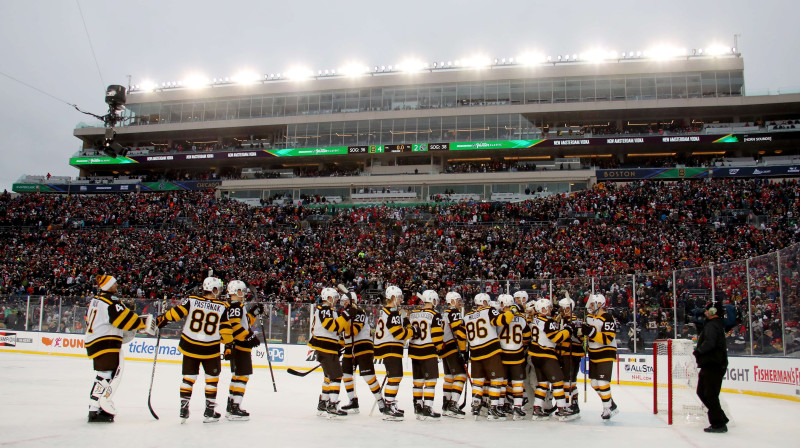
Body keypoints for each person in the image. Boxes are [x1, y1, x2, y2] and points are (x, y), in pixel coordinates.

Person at [156, 276, 231, 423]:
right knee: (212, 379)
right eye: (218, 289)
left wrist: (163, 319)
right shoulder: (222, 307)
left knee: (188, 378)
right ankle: (209, 411)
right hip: (210, 348)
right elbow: (226, 332)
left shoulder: (191, 300)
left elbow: (176, 313)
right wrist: (227, 344)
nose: (220, 292)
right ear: (214, 289)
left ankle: (184, 408)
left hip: (190, 346)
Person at [85, 275, 156, 423]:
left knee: (103, 375)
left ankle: (94, 407)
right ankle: (95, 408)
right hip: (105, 342)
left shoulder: (95, 300)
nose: (117, 285)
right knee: (106, 376)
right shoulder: (111, 302)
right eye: (114, 283)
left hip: (95, 341)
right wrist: (142, 323)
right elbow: (124, 320)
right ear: (108, 286)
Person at [464, 292, 513, 420]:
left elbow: (461, 334)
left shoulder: (467, 316)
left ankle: (476, 406)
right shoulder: (489, 311)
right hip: (490, 351)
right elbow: (503, 320)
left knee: (478, 382)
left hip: (475, 354)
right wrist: (510, 311)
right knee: (497, 379)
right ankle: (494, 408)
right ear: (485, 302)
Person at [337, 289, 386, 414]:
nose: (343, 303)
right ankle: (353, 401)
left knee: (368, 376)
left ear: (352, 301)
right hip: (350, 347)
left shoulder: (359, 311)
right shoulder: (345, 313)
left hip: (363, 346)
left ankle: (380, 401)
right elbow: (344, 334)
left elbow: (354, 331)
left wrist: (342, 325)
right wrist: (338, 346)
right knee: (346, 375)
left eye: (346, 301)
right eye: (343, 301)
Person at [220, 280, 263, 421]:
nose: (244, 293)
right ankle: (235, 408)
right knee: (242, 376)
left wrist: (253, 313)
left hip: (236, 345)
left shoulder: (235, 306)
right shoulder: (236, 305)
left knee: (237, 376)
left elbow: (244, 323)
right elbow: (236, 326)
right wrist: (250, 336)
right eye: (242, 291)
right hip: (240, 345)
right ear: (237, 291)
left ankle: (231, 406)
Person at [528, 298, 577, 421]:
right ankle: (561, 409)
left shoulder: (535, 320)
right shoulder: (547, 321)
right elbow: (556, 338)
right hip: (546, 355)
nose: (550, 309)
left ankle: (537, 409)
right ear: (542, 309)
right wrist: (568, 329)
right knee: (558, 382)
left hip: (535, 356)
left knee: (543, 384)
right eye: (548, 308)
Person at [374, 285, 414, 420]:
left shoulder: (387, 311)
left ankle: (390, 405)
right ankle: (389, 407)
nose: (401, 299)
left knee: (395, 376)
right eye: (398, 297)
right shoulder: (392, 312)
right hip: (390, 348)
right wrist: (411, 331)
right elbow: (398, 334)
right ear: (392, 297)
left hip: (388, 347)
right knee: (395, 376)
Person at [307, 287, 349, 418]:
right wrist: (346, 315)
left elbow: (334, 331)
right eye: (335, 298)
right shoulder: (325, 310)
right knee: (336, 376)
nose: (336, 300)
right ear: (329, 298)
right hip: (325, 348)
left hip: (328, 347)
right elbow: (330, 326)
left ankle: (323, 403)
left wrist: (339, 343)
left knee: (328, 377)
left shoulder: (329, 310)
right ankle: (332, 405)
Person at [693, 301, 730, 433]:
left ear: (714, 312)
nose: (705, 312)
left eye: (708, 310)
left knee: (710, 394)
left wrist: (699, 351)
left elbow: (710, 342)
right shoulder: (712, 325)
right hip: (710, 363)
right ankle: (720, 417)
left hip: (713, 364)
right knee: (702, 392)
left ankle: (718, 423)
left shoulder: (713, 325)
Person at [408, 290, 445, 419]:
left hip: (414, 351)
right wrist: (439, 348)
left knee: (417, 381)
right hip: (428, 351)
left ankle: (417, 407)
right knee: (430, 380)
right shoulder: (435, 314)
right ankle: (427, 408)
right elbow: (436, 335)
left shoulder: (413, 314)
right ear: (433, 300)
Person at [582, 293, 619, 420]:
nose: (590, 306)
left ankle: (607, 408)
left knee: (603, 382)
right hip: (593, 354)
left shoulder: (608, 317)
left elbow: (608, 338)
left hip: (605, 353)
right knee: (594, 383)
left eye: (592, 304)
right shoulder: (589, 317)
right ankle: (611, 404)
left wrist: (590, 332)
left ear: (600, 304)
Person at [496, 293, 531, 420]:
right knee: (517, 382)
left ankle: (499, 407)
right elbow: (527, 337)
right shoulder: (521, 319)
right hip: (517, 354)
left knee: (502, 382)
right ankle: (517, 408)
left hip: (503, 354)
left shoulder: (499, 317)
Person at [439, 291, 468, 418]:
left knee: (449, 377)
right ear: (451, 301)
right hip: (453, 348)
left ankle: (446, 405)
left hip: (444, 349)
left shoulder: (444, 313)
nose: (459, 303)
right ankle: (453, 404)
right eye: (457, 300)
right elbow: (459, 332)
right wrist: (466, 345)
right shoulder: (454, 312)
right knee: (461, 375)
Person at [557, 295, 584, 414]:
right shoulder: (561, 319)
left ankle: (570, 404)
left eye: (562, 309)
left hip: (571, 354)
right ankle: (571, 403)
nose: (560, 311)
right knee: (569, 380)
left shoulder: (575, 320)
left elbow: (581, 337)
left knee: (569, 380)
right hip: (564, 353)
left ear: (568, 308)